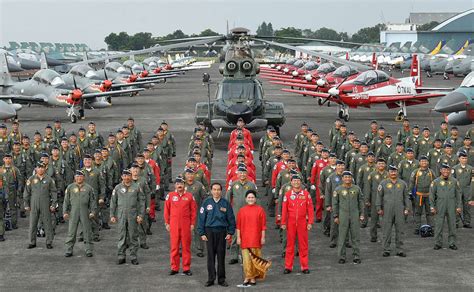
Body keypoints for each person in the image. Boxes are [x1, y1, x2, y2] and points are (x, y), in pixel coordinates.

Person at [198, 182, 235, 287]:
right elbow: (201, 219)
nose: (216, 192)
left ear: (221, 191)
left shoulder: (225, 203)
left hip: (222, 232)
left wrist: (230, 232)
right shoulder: (206, 202)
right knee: (210, 257)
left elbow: (231, 218)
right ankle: (211, 279)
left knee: (221, 256)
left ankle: (221, 279)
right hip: (209, 232)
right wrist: (202, 232)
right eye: (214, 189)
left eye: (218, 189)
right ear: (211, 191)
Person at [110, 169, 145, 265]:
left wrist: (141, 215)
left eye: (128, 175)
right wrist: (112, 215)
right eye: (124, 176)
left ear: (131, 176)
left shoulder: (136, 187)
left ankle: (133, 256)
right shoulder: (117, 188)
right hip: (121, 215)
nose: (126, 177)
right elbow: (113, 202)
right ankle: (121, 256)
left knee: (133, 235)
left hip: (133, 215)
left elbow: (142, 202)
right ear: (122, 177)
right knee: (122, 235)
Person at [281, 175, 314, 274]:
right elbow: (284, 210)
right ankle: (288, 266)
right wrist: (282, 222)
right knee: (290, 245)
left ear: (301, 182)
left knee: (303, 245)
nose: (296, 182)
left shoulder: (306, 194)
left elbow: (310, 209)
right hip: (290, 223)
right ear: (291, 182)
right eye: (294, 181)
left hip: (302, 222)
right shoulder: (287, 195)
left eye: (298, 181)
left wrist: (310, 222)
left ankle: (304, 266)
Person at [164, 177, 197, 276]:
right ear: (175, 185)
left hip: (186, 225)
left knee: (186, 247)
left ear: (184, 185)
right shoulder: (170, 196)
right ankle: (174, 267)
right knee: (174, 247)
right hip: (174, 225)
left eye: (181, 183)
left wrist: (192, 223)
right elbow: (166, 210)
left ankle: (186, 268)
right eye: (178, 183)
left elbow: (193, 211)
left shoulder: (190, 196)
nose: (179, 185)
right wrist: (167, 223)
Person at [225, 166, 257, 264]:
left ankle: (246, 255)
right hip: (236, 213)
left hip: (249, 214)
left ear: (247, 174)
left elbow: (256, 198)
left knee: (248, 234)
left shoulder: (251, 185)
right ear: (237, 174)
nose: (242, 174)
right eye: (240, 173)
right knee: (235, 235)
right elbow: (227, 197)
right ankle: (234, 256)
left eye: (244, 173)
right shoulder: (233, 184)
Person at [376, 165, 410, 257]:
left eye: (395, 171)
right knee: (386, 230)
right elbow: (379, 196)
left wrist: (407, 208)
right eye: (391, 171)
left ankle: (400, 249)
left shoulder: (403, 183)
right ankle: (386, 249)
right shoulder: (383, 183)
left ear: (397, 172)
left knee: (400, 230)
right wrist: (378, 208)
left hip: (400, 209)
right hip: (387, 209)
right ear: (389, 173)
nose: (393, 173)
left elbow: (406, 197)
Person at [236, 190, 267, 286]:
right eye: (249, 197)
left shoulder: (260, 210)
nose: (250, 199)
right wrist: (238, 238)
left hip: (256, 238)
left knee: (255, 258)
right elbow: (238, 226)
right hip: (245, 238)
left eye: (252, 197)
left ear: (255, 199)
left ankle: (253, 277)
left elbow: (263, 226)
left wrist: (263, 237)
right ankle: (247, 276)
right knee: (246, 259)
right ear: (246, 199)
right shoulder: (242, 211)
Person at [23, 162, 57, 249]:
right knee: (33, 223)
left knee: (47, 223)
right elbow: (27, 192)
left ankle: (49, 242)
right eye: (39, 167)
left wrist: (53, 204)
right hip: (34, 203)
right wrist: (26, 204)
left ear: (45, 169)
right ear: (36, 169)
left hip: (45, 203)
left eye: (42, 167)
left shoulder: (49, 180)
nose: (40, 169)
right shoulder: (31, 179)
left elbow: (54, 192)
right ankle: (32, 242)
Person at [63, 170, 97, 257]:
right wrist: (65, 212)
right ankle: (69, 249)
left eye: (81, 176)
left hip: (85, 212)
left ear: (84, 177)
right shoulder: (70, 187)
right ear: (75, 178)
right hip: (73, 212)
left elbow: (93, 201)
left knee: (87, 231)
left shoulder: (89, 188)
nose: (79, 178)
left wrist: (93, 211)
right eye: (77, 176)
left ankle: (89, 249)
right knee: (71, 231)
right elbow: (66, 201)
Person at [333, 171, 364, 264]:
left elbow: (361, 202)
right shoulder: (338, 189)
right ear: (342, 178)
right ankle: (342, 256)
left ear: (352, 178)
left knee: (355, 236)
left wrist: (362, 214)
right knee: (342, 237)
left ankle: (356, 255)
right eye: (345, 177)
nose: (347, 179)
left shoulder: (357, 189)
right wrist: (335, 215)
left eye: (349, 177)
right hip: (343, 215)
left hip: (355, 214)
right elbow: (335, 204)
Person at [430, 163, 462, 250]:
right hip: (440, 205)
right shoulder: (435, 182)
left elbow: (458, 195)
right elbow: (432, 196)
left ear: (450, 170)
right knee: (439, 225)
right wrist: (432, 207)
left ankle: (452, 243)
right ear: (441, 171)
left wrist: (459, 206)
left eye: (447, 170)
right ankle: (438, 243)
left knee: (452, 225)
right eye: (444, 170)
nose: (446, 171)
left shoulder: (454, 181)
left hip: (452, 205)